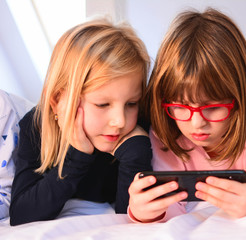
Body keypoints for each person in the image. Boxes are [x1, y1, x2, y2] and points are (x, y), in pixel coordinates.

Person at [128, 8, 246, 223]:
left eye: (212, 107)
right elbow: (170, 204)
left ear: (240, 99)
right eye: (181, 106)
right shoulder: (167, 124)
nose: (197, 123)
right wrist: (144, 212)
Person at [9, 19, 152, 226]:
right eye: (102, 104)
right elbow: (22, 214)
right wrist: (76, 157)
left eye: (131, 103)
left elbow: (127, 220)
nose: (120, 121)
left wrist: (136, 155)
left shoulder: (138, 130)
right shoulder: (35, 126)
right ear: (58, 101)